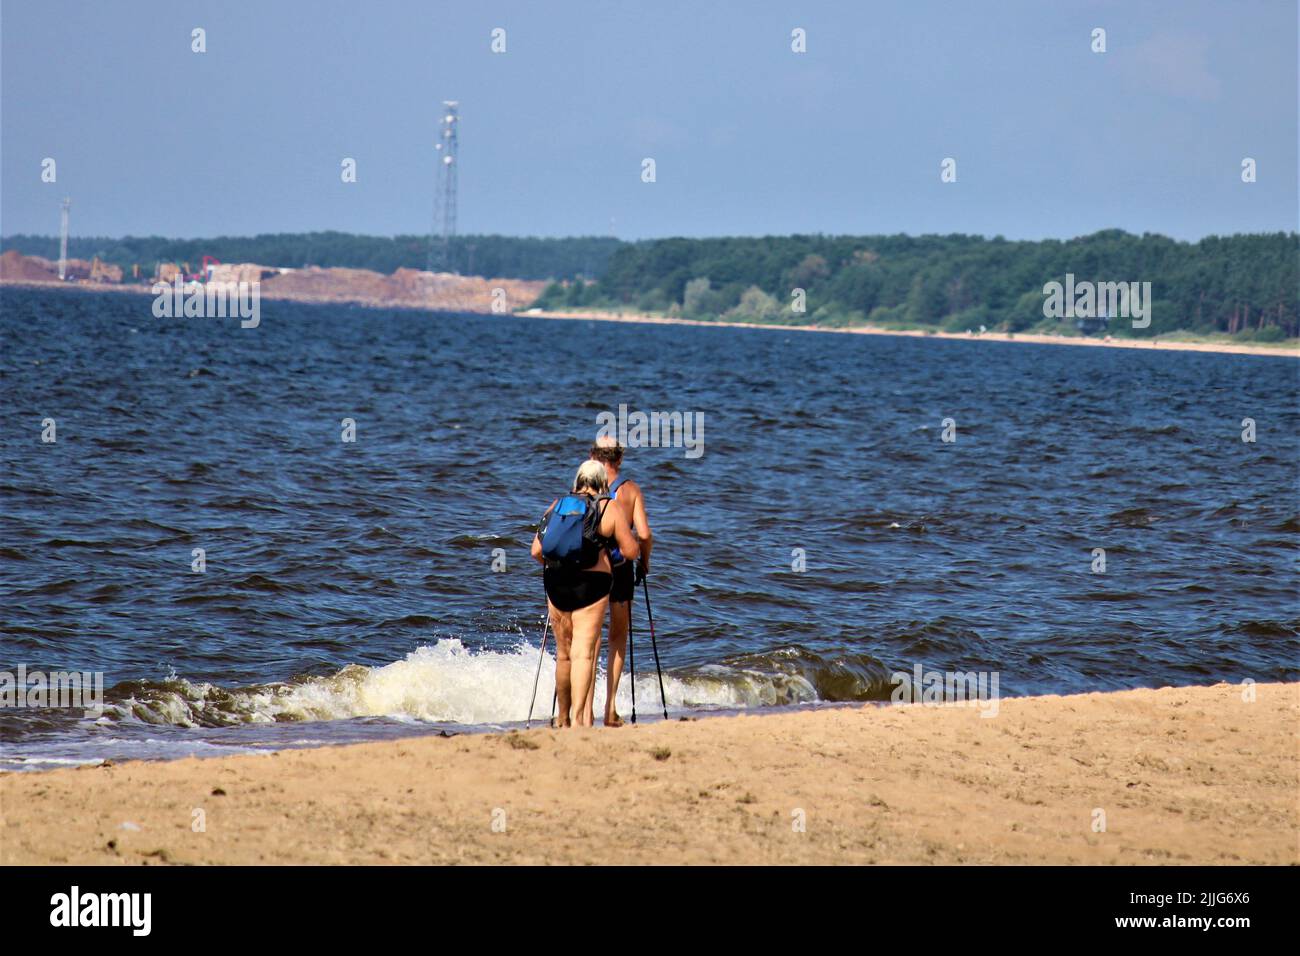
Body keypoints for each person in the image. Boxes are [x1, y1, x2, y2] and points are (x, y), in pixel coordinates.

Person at [531, 460, 638, 728]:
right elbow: (631, 550)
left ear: (577, 481)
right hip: (591, 586)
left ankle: (563, 717)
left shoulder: (557, 505)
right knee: (583, 654)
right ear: (602, 483)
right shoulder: (607, 506)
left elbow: (536, 551)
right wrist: (609, 553)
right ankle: (579, 720)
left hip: (555, 584)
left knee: (563, 654)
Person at [585, 436, 653, 726]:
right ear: (620, 459)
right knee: (618, 636)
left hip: (589, 568)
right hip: (621, 568)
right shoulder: (630, 490)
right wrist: (645, 564)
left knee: (589, 639)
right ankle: (610, 708)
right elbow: (645, 535)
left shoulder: (584, 488)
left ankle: (583, 711)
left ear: (592, 455)